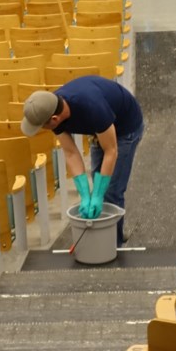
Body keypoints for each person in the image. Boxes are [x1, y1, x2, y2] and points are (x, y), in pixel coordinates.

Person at [20, 75, 144, 245]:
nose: (42, 129)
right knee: (97, 179)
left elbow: (111, 150)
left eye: (42, 126)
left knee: (111, 191)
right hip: (98, 130)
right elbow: (70, 153)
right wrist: (85, 194)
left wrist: (98, 195)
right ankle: (109, 231)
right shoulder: (50, 107)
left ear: (54, 120)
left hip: (125, 129)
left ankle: (113, 245)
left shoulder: (92, 107)